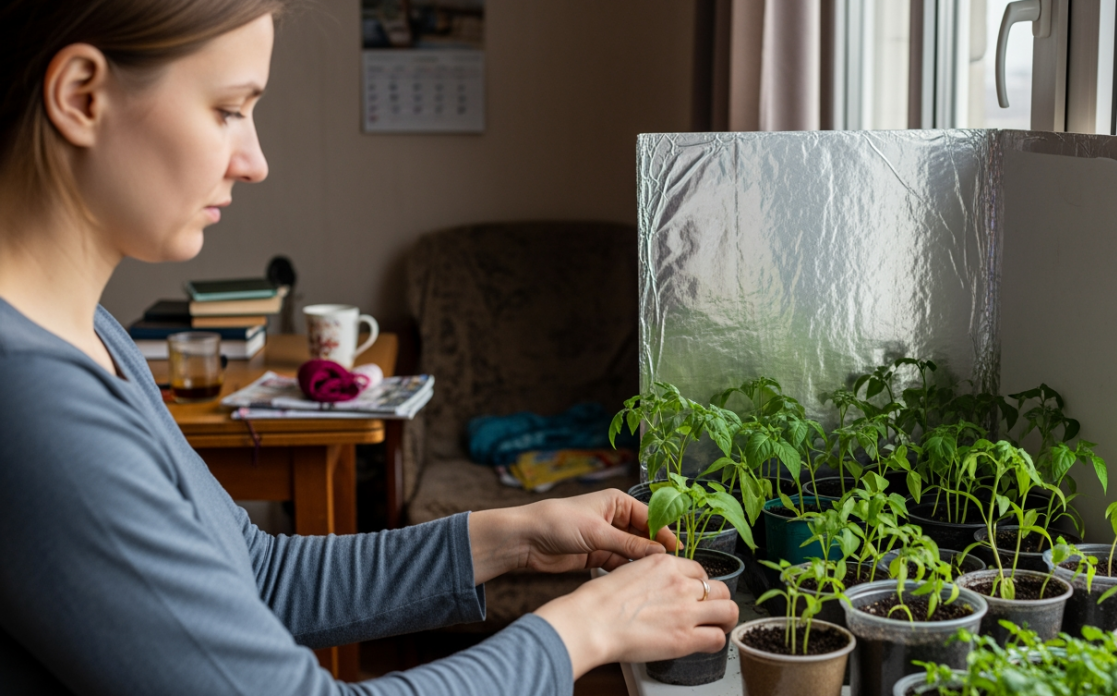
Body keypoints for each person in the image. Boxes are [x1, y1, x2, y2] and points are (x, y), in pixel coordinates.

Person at [0, 1, 738, 694]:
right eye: (228, 109)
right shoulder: (31, 401)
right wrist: (587, 628)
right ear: (82, 95)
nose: (254, 160)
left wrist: (515, 535)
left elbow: (259, 574)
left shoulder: (95, 337)